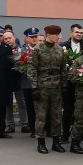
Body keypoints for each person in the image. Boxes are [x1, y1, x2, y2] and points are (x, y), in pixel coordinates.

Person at [28, 25, 68, 154]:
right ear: (48, 35)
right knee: (41, 116)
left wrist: (64, 86)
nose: (57, 37)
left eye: (58, 35)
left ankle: (56, 142)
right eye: (55, 34)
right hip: (42, 85)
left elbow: (63, 69)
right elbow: (32, 69)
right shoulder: (37, 49)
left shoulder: (60, 50)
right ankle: (41, 142)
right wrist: (34, 87)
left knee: (57, 115)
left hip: (56, 86)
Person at [61, 24, 83, 140]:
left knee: (81, 111)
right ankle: (65, 134)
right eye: (77, 32)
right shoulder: (63, 46)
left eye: (81, 33)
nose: (79, 35)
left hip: (82, 83)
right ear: (71, 33)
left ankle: (81, 135)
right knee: (68, 110)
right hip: (68, 84)